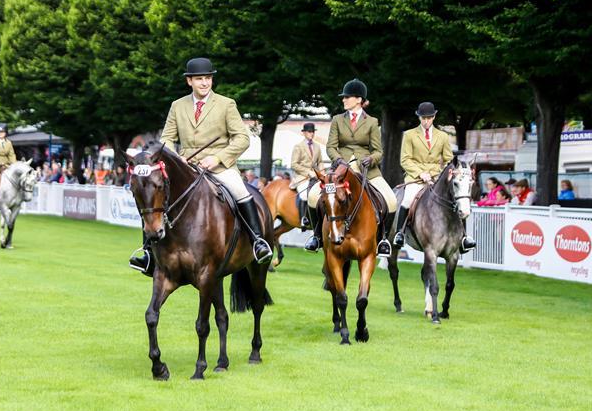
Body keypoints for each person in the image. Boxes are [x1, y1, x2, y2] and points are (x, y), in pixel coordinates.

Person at [129, 57, 272, 275]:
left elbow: (242, 138)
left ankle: (258, 241)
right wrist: (177, 158)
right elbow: (165, 140)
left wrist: (218, 158)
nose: (204, 83)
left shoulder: (226, 104)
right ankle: (148, 252)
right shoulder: (177, 106)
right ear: (190, 82)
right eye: (199, 79)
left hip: (219, 167)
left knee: (240, 190)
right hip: (186, 167)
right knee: (154, 197)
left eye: (208, 78)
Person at [303, 79, 397, 255]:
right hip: (340, 171)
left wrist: (371, 159)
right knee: (313, 195)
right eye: (344, 97)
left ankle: (382, 240)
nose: (344, 100)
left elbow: (378, 151)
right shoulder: (338, 120)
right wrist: (338, 159)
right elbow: (331, 146)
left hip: (366, 170)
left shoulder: (371, 122)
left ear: (359, 99)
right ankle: (316, 236)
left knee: (391, 200)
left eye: (347, 97)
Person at [390, 101, 474, 252]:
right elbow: (405, 159)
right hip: (415, 177)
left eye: (429, 118)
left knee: (456, 201)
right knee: (408, 199)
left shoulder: (442, 136)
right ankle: (399, 234)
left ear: (434, 117)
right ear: (419, 118)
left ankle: (464, 237)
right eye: (423, 118)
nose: (426, 121)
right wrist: (420, 173)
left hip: (436, 177)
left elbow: (449, 159)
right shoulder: (409, 135)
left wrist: (449, 171)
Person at [289, 122, 322, 229]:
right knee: (304, 195)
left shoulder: (317, 146)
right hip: (302, 177)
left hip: (315, 176)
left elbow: (320, 162)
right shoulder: (298, 147)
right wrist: (308, 172)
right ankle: (304, 218)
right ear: (304, 133)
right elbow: (294, 164)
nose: (311, 134)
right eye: (309, 132)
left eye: (312, 132)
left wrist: (322, 173)